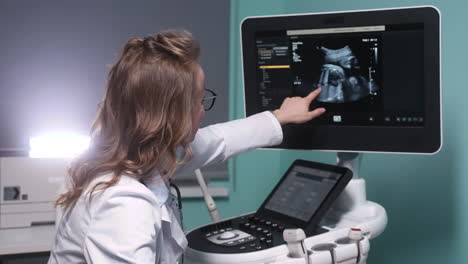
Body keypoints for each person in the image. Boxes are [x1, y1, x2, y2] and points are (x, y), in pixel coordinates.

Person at [48, 30, 325, 264]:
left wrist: (279, 118)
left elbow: (218, 140)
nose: (202, 110)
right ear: (173, 114)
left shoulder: (123, 153)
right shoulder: (123, 204)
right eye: (198, 100)